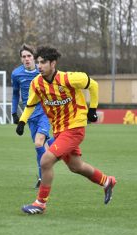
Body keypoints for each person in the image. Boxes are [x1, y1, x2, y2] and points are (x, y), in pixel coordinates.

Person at [15, 45, 117, 215]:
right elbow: (31, 104)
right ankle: (107, 181)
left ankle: (40, 203)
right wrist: (22, 122)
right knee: (76, 167)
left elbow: (94, 85)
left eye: (43, 62)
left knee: (46, 161)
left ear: (53, 63)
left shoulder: (69, 78)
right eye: (38, 62)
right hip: (59, 130)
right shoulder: (37, 83)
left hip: (74, 128)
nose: (39, 66)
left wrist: (92, 109)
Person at [11, 44, 53, 188]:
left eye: (29, 56)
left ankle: (43, 180)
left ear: (34, 58)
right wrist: (14, 113)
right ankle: (60, 142)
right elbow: (15, 94)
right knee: (41, 147)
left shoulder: (42, 72)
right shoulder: (16, 74)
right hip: (29, 116)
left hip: (44, 112)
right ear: (21, 59)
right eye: (24, 57)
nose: (27, 59)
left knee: (38, 142)